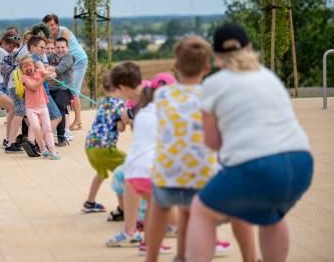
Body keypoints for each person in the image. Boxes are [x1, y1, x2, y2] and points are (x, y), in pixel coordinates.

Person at [186, 24, 313, 262]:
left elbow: (212, 141)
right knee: (272, 215)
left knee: (202, 211)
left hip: (255, 165)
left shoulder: (213, 84)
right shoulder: (269, 77)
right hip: (301, 162)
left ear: (216, 56)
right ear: (250, 48)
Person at [145, 36, 232, 262]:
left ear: (175, 66)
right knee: (194, 212)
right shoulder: (211, 96)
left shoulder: (162, 94)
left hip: (167, 174)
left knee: (159, 208)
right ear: (207, 67)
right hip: (201, 178)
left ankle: (151, 257)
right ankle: (186, 255)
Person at [107, 71, 177, 257]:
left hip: (136, 169)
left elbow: (126, 115)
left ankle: (139, 238)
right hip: (147, 169)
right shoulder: (161, 110)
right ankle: (147, 240)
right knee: (167, 212)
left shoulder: (144, 108)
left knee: (158, 209)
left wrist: (125, 117)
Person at [82, 71, 127, 214]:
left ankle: (89, 203)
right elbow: (120, 127)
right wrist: (126, 120)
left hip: (90, 145)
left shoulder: (102, 101)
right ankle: (123, 209)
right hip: (104, 147)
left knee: (101, 173)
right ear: (120, 87)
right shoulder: (120, 104)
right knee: (126, 169)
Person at [43, 13, 88, 131]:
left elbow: (63, 51)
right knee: (64, 90)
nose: (50, 27)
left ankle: (78, 122)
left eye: (52, 25)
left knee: (73, 91)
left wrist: (53, 67)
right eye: (47, 26)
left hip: (78, 61)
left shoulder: (64, 32)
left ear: (57, 24)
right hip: (65, 64)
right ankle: (64, 120)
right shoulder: (50, 35)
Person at [19, 55, 59, 160]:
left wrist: (51, 74)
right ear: (22, 70)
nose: (28, 68)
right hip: (31, 108)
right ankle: (42, 148)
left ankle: (53, 151)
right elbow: (34, 87)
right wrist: (44, 79)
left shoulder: (40, 72)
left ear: (34, 66)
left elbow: (52, 74)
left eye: (30, 65)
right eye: (24, 66)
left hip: (43, 106)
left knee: (47, 128)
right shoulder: (24, 78)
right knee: (36, 127)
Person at [48, 37, 75, 147]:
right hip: (51, 89)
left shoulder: (69, 57)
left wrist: (47, 68)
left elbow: (60, 68)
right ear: (54, 48)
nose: (60, 50)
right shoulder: (50, 57)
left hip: (65, 90)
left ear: (67, 48)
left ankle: (62, 137)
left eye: (63, 47)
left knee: (59, 107)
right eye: (58, 47)